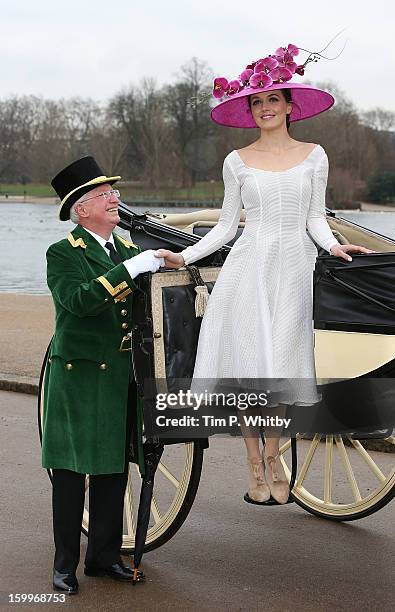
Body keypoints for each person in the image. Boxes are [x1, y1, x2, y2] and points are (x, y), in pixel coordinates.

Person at [154, 43, 374, 505]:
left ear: (290, 106)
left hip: (294, 269)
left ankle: (275, 456)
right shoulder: (236, 161)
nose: (265, 108)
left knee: (281, 367)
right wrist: (187, 257)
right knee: (252, 368)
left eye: (273, 100)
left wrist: (335, 245)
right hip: (248, 269)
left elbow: (316, 218)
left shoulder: (316, 155)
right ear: (250, 109)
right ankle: (254, 461)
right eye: (257, 102)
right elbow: (226, 226)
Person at [42, 156, 164, 594]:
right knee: (72, 474)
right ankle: (63, 566)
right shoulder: (62, 253)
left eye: (114, 191)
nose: (116, 198)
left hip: (120, 377)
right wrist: (130, 271)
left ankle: (104, 558)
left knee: (113, 470)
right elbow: (77, 301)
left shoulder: (129, 250)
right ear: (82, 210)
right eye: (104, 194)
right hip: (78, 378)